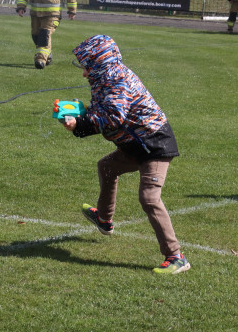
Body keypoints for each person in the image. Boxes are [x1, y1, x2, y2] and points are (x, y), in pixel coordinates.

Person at [63, 35, 191, 275]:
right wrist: (79, 120)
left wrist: (81, 120)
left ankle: (176, 257)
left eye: (87, 68)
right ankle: (104, 220)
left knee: (149, 198)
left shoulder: (116, 80)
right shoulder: (104, 78)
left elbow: (113, 117)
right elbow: (103, 115)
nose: (84, 74)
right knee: (107, 167)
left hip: (153, 145)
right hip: (135, 144)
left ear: (99, 64)